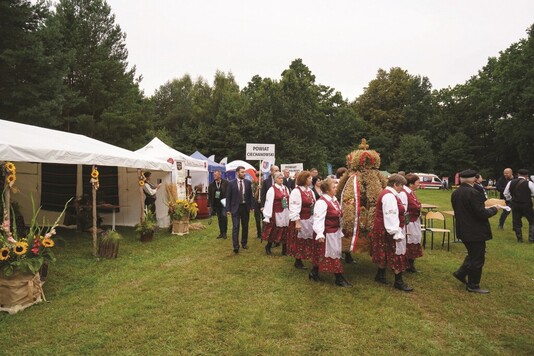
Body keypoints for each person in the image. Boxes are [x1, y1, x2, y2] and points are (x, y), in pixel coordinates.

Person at [452, 169, 499, 293]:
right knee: (477, 259)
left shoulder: (456, 192)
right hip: (475, 230)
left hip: (463, 228)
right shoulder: (473, 193)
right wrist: (494, 209)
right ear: (473, 179)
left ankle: (461, 273)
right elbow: (481, 213)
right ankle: (473, 285)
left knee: (473, 254)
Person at [370, 174, 413, 292]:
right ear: (395, 185)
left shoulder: (389, 194)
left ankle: (380, 275)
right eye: (401, 186)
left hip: (383, 229)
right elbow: (390, 215)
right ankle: (398, 282)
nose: (403, 188)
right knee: (396, 254)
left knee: (384, 252)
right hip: (388, 230)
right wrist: (395, 231)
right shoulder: (389, 196)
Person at [311, 178, 351, 287]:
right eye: (333, 187)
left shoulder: (333, 200)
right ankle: (339, 277)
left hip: (335, 231)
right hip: (327, 232)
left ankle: (314, 272)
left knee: (326, 253)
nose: (336, 188)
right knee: (332, 254)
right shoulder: (322, 202)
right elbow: (318, 219)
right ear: (327, 190)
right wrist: (319, 233)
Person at [287, 170, 315, 269]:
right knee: (299, 241)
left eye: (310, 177)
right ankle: (298, 261)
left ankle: (309, 256)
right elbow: (294, 207)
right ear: (304, 179)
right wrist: (297, 222)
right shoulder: (296, 191)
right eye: (309, 178)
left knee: (309, 239)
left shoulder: (310, 191)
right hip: (301, 219)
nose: (311, 179)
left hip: (310, 218)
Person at [398, 174, 423, 273]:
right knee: (409, 242)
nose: (419, 184)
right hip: (409, 222)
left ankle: (410, 264)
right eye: (417, 182)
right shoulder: (404, 193)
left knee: (415, 240)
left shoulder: (411, 192)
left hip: (414, 220)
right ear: (411, 183)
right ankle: (407, 264)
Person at [226, 166, 253, 254]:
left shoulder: (248, 183)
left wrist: (251, 206)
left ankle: (244, 243)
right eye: (242, 172)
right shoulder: (231, 183)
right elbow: (228, 197)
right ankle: (236, 246)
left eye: (244, 172)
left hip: (245, 207)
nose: (244, 174)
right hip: (235, 208)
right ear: (237, 173)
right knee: (236, 227)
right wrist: (228, 209)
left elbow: (250, 196)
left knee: (245, 226)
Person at [262, 172, 291, 255]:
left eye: (282, 178)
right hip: (276, 212)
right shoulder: (272, 189)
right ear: (275, 179)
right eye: (279, 178)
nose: (281, 179)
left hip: (285, 211)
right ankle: (268, 246)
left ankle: (284, 250)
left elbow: (288, 200)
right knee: (274, 230)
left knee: (285, 229)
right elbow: (269, 202)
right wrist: (268, 215)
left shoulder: (285, 188)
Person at [504, 169, 534, 243]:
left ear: (518, 174)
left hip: (515, 204)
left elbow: (505, 193)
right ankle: (531, 239)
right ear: (527, 175)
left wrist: (510, 199)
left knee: (516, 221)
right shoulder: (529, 183)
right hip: (526, 205)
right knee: (532, 221)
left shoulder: (511, 182)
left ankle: (519, 239)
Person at [208, 170, 228, 239]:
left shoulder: (225, 183)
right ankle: (221, 232)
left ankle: (225, 232)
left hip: (224, 203)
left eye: (215, 175)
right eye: (214, 175)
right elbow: (210, 195)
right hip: (216, 204)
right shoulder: (211, 184)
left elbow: (228, 192)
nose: (214, 176)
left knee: (224, 217)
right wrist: (209, 205)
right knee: (220, 218)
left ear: (220, 175)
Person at [251, 171, 262, 239]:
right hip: (256, 203)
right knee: (257, 219)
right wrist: (258, 190)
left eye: (261, 176)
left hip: (263, 203)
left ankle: (264, 233)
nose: (260, 177)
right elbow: (254, 196)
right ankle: (259, 234)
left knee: (265, 219)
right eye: (258, 176)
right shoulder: (254, 184)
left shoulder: (265, 183)